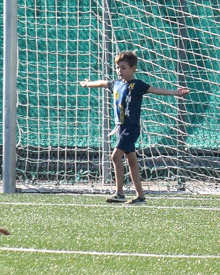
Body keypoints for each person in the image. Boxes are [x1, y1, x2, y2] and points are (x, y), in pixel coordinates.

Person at [79, 52, 189, 204]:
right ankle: (140, 196)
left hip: (131, 128)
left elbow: (155, 90)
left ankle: (119, 193)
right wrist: (88, 84)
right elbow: (102, 83)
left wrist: (175, 93)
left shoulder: (137, 85)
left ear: (133, 69)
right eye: (118, 67)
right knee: (131, 161)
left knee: (115, 157)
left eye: (123, 67)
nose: (120, 70)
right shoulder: (116, 84)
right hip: (121, 128)